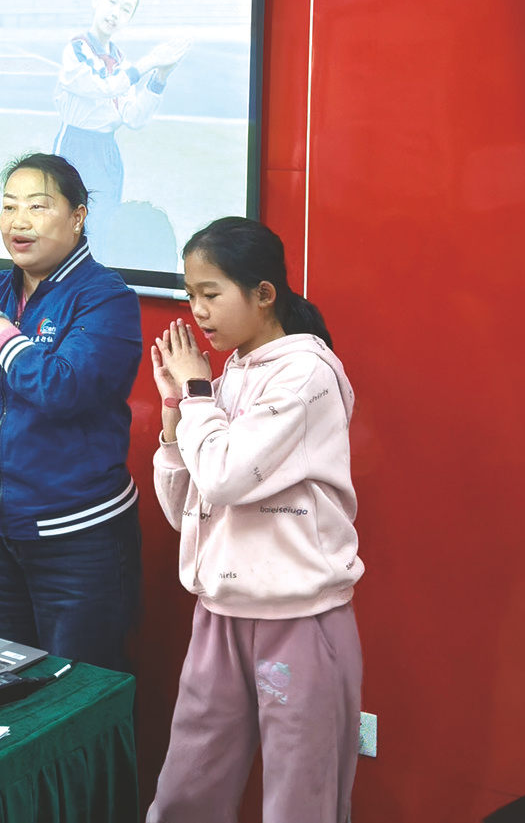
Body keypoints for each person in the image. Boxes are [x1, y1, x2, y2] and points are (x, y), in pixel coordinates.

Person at [147, 216, 363, 823]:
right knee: (188, 785)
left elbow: (224, 476)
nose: (198, 311)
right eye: (191, 295)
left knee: (301, 798)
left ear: (263, 293)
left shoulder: (305, 374)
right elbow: (186, 511)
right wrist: (175, 413)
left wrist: (195, 392)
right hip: (219, 613)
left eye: (211, 293)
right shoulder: (228, 378)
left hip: (298, 619)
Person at [0, 152, 143, 671]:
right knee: (2, 683)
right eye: (9, 206)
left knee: (78, 693)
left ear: (77, 217)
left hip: (79, 536)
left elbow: (60, 387)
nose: (19, 221)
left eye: (37, 206)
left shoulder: (107, 298)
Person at [52, 0, 188, 225]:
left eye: (126, 9)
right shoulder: (77, 49)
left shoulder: (122, 63)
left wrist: (160, 76)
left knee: (104, 224)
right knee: (66, 224)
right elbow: (101, 86)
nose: (115, 13)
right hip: (75, 146)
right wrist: (147, 63)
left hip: (107, 151)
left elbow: (134, 118)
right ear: (96, 0)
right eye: (112, 2)